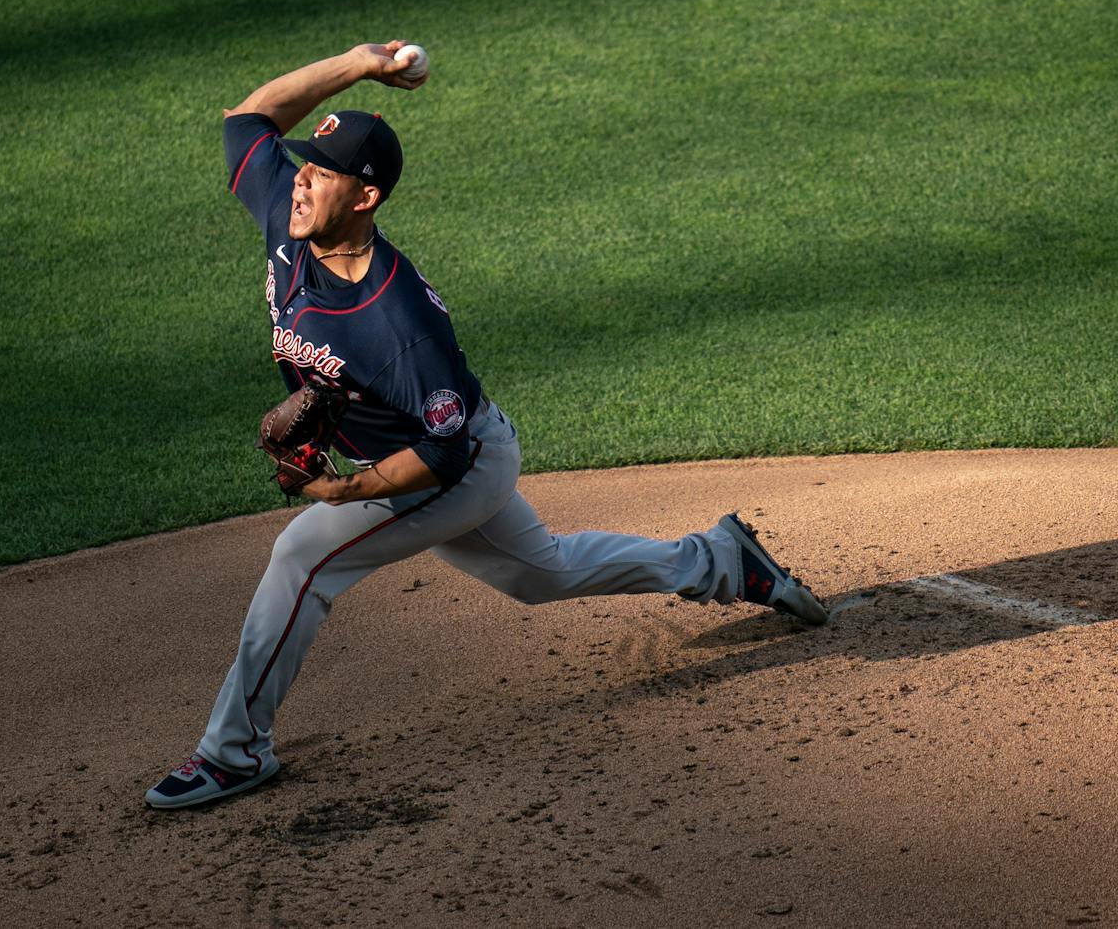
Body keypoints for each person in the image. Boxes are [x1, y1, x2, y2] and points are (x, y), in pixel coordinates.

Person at [144, 41, 828, 809]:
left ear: (364, 197)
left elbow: (442, 450)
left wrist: (342, 492)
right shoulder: (287, 211)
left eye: (322, 170)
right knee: (542, 573)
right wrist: (360, 63)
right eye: (303, 164)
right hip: (443, 451)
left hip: (457, 464)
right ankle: (723, 561)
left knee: (301, 556)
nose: (299, 176)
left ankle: (233, 752)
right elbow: (249, 120)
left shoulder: (397, 325)